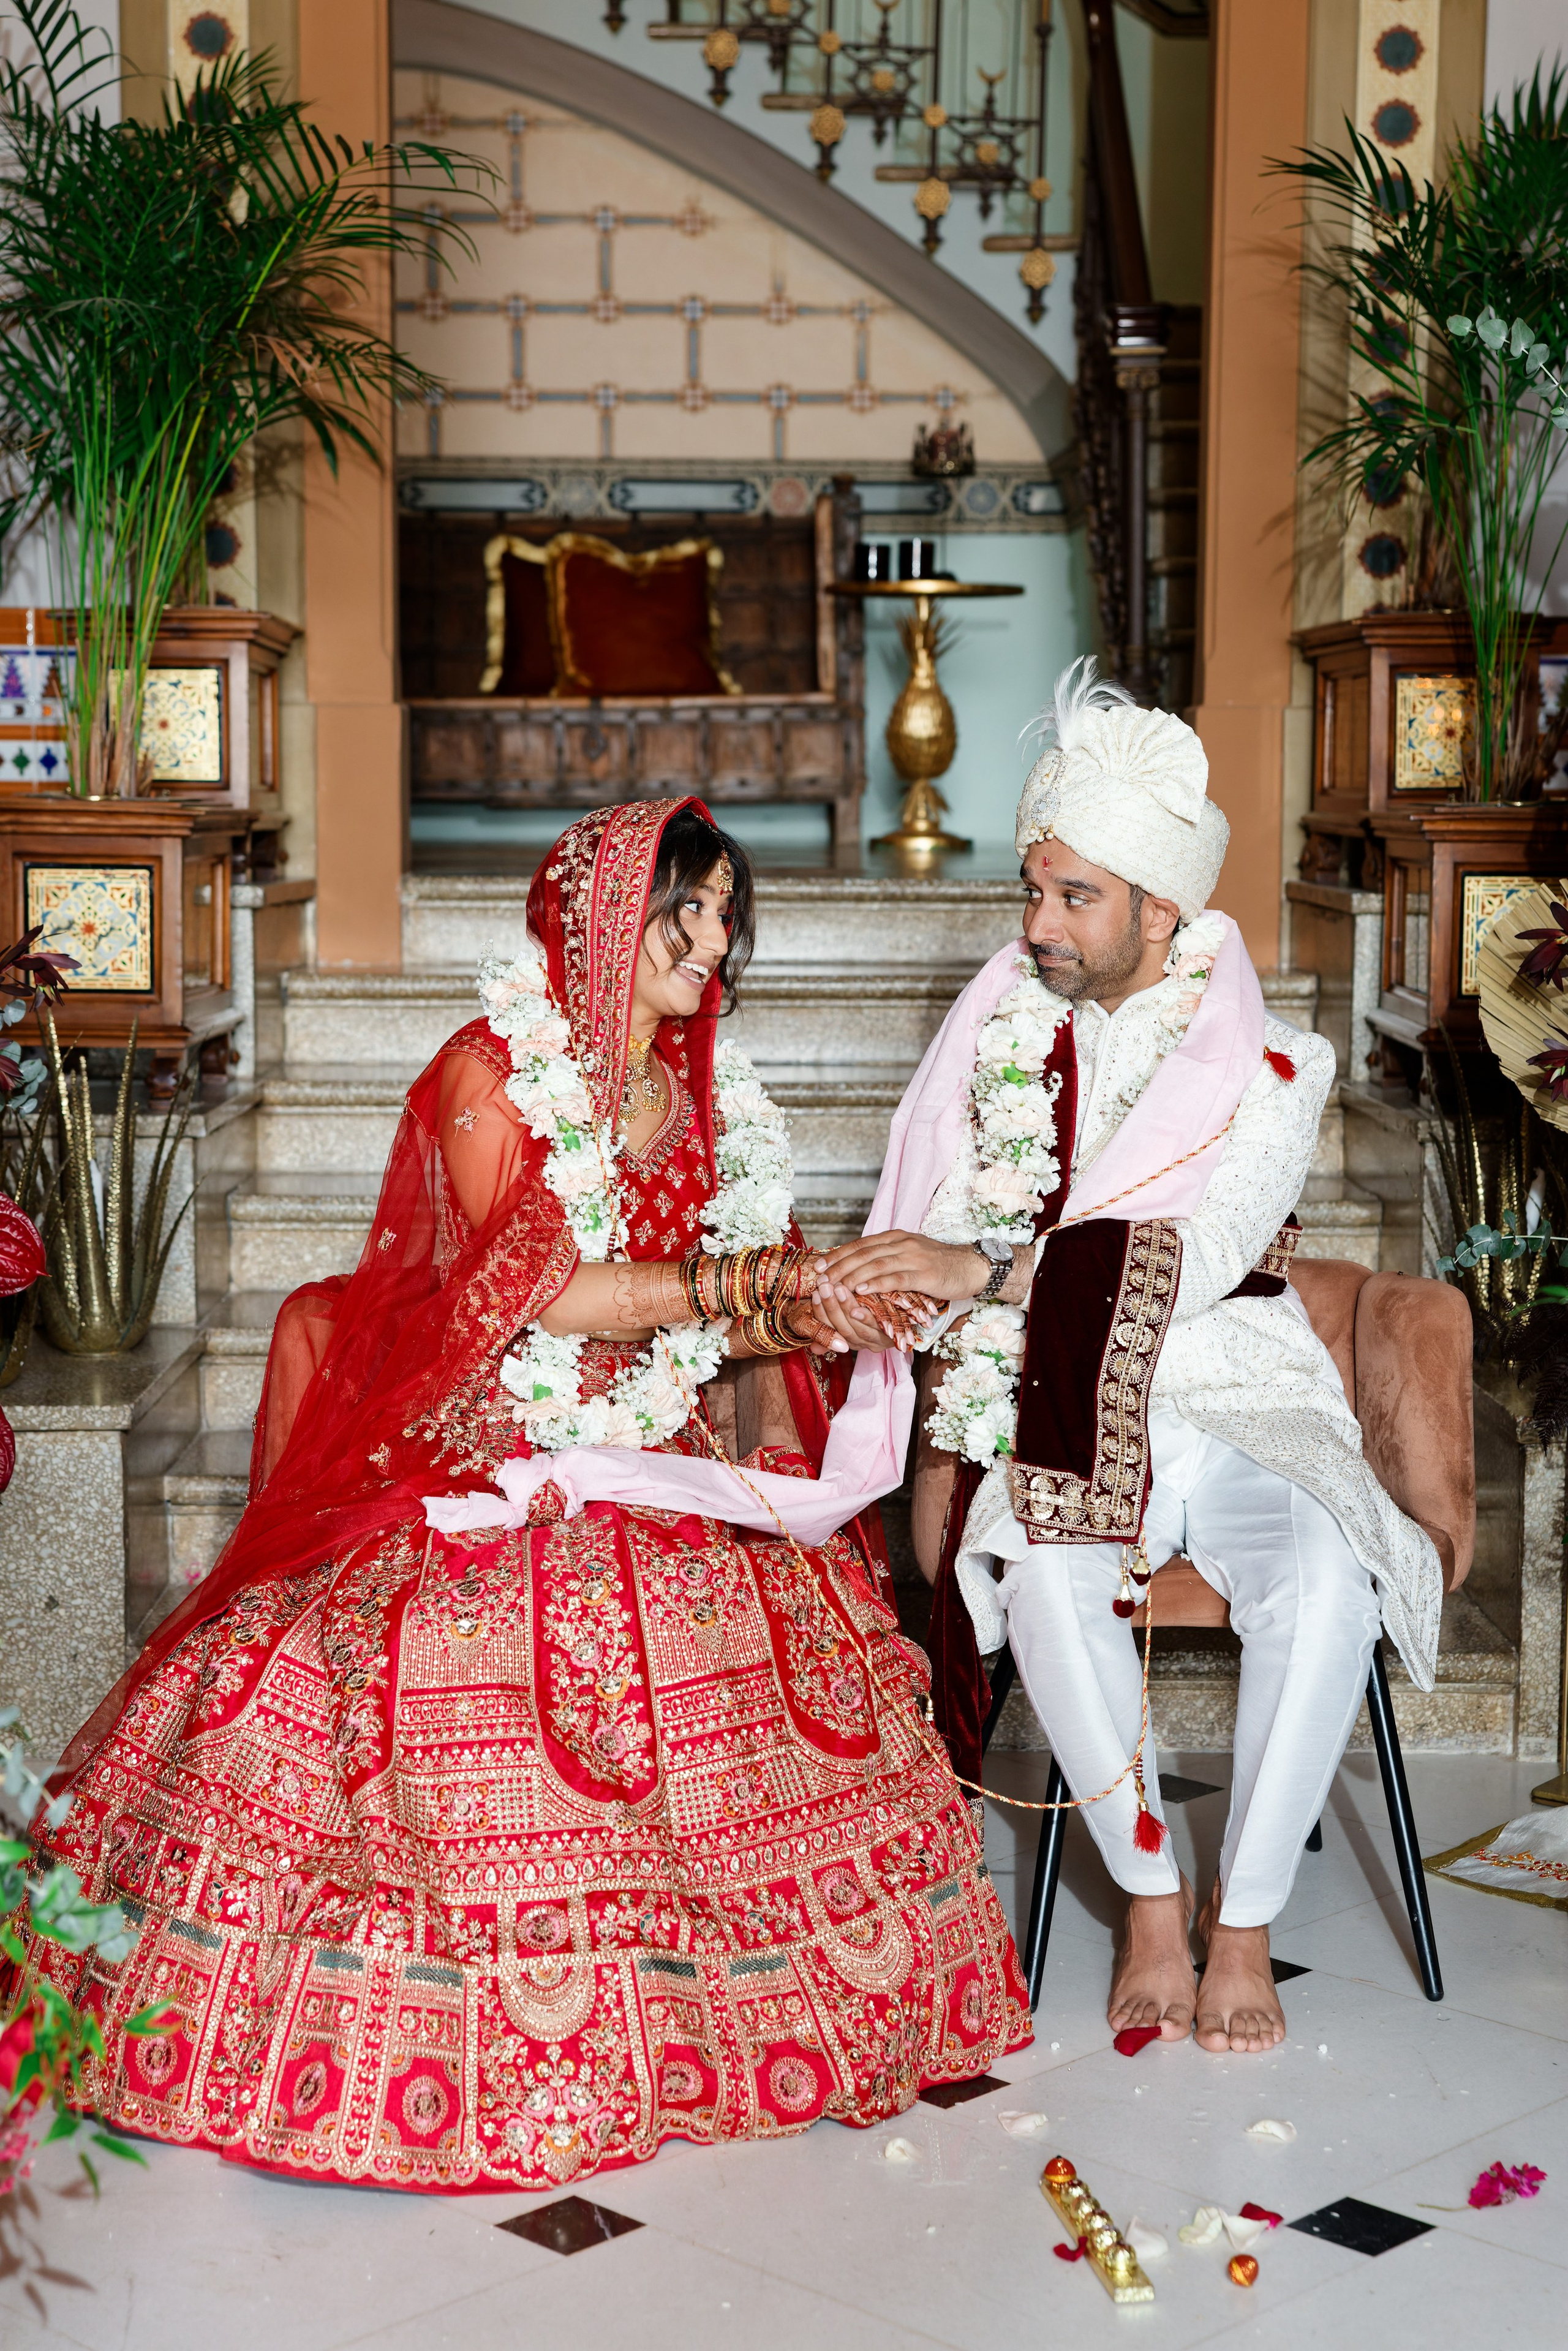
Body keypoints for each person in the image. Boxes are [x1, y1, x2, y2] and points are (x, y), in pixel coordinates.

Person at [17, 799, 1028, 2193]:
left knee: (747, 1622)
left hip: (654, 1426)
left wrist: (797, 1335)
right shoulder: (490, 1069)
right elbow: (547, 1293)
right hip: (494, 1420)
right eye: (692, 907)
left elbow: (727, 1317)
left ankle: (704, 1997)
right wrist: (774, 1289)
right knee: (418, 1636)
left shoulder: (709, 1094)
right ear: (611, 909)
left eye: (731, 912)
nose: (716, 940)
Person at [812, 662, 1442, 2058]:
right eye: (1030, 889)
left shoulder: (1280, 1061)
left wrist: (978, 1267)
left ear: (1162, 911)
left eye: (1071, 896)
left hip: (1235, 1383)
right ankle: (1149, 1899)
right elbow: (929, 1213)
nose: (1035, 924)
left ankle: (1244, 1921)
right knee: (1041, 1566)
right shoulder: (995, 1036)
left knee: (1327, 1579)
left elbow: (1209, 1246)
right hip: (1059, 1384)